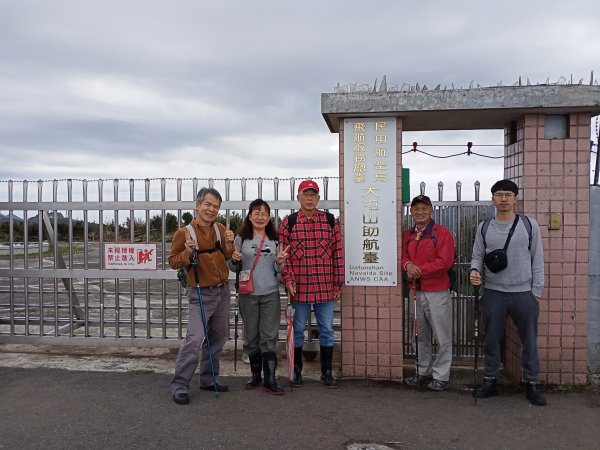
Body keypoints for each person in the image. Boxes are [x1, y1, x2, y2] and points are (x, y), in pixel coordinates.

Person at [469, 179, 546, 406]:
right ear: (492, 198)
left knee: (529, 341)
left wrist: (536, 292)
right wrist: (474, 271)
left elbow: (537, 258)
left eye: (508, 195)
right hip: (493, 292)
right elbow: (477, 255)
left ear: (515, 198)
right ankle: (490, 380)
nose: (503, 199)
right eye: (499, 195)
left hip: (524, 294)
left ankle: (532, 383)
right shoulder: (484, 227)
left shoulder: (529, 225)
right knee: (491, 339)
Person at [168, 187, 235, 405]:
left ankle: (209, 378)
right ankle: (179, 385)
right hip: (199, 293)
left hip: (222, 291)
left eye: (216, 206)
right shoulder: (184, 232)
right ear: (197, 205)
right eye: (207, 204)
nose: (211, 209)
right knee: (195, 338)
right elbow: (173, 262)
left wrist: (230, 243)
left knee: (218, 337)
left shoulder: (220, 228)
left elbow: (226, 255)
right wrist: (187, 252)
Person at [278, 179, 344, 388]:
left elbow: (338, 255)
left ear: (318, 198)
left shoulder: (330, 221)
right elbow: (284, 257)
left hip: (325, 287)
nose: (309, 198)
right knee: (297, 330)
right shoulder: (288, 223)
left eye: (313, 194)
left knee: (327, 329)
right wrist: (287, 280)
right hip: (299, 289)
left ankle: (327, 372)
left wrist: (338, 284)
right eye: (305, 194)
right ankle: (296, 372)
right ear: (298, 197)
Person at [229, 199, 288, 395]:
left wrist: (279, 262)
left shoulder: (275, 239)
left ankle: (270, 379)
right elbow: (232, 267)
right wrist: (234, 259)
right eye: (256, 213)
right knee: (251, 335)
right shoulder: (241, 239)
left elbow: (279, 271)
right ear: (249, 215)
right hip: (248, 295)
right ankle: (255, 376)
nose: (260, 217)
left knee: (269, 336)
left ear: (269, 217)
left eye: (264, 213)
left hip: (270, 293)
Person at [400, 194, 455, 391]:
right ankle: (422, 371)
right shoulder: (408, 234)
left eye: (424, 208)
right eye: (416, 209)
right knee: (419, 335)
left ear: (431, 210)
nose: (420, 212)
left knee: (442, 336)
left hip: (437, 291)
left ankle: (441, 375)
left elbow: (445, 262)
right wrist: (407, 265)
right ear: (411, 212)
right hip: (416, 291)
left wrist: (418, 269)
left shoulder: (442, 233)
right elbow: (403, 256)